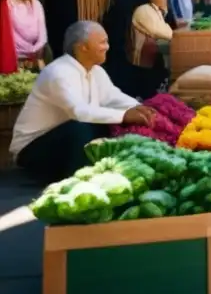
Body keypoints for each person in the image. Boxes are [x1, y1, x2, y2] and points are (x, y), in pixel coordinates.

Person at [11, 21, 155, 183]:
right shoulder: (58, 72)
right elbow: (78, 112)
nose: (107, 47)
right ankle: (76, 181)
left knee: (107, 123)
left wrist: (139, 108)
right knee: (81, 126)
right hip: (32, 150)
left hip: (64, 139)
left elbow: (113, 96)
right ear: (82, 47)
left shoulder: (96, 71)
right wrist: (124, 115)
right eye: (102, 42)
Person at [128, 0, 174, 98]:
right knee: (148, 89)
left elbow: (166, 30)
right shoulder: (144, 10)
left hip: (152, 56)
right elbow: (161, 32)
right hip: (144, 57)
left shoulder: (156, 10)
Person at [7, 0, 48, 70]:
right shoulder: (7, 4)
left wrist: (38, 47)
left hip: (37, 52)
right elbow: (12, 35)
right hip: (16, 53)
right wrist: (29, 51)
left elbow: (42, 32)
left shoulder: (36, 3)